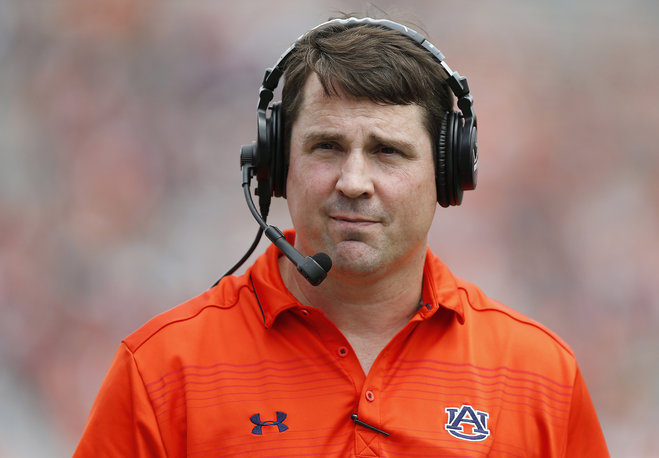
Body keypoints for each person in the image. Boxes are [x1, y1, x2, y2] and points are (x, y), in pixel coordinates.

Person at [74, 15, 609, 457]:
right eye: (326, 146)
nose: (354, 183)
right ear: (277, 164)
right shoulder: (163, 371)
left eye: (388, 151)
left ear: (447, 175)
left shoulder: (539, 377)